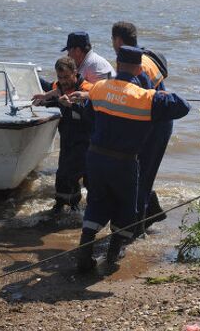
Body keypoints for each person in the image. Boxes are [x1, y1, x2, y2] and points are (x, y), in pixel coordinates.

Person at [71, 46, 190, 272]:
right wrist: (162, 94)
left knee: (96, 202)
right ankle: (112, 256)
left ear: (116, 64)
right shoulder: (145, 97)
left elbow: (88, 114)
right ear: (138, 69)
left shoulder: (98, 89)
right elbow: (183, 106)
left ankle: (84, 256)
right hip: (123, 162)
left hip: (95, 158)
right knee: (126, 207)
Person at [111, 21, 172, 237]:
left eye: (113, 41)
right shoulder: (141, 58)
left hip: (154, 125)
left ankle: (135, 230)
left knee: (139, 177)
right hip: (155, 122)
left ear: (118, 40)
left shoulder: (136, 64)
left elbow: (133, 99)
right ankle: (148, 215)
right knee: (140, 176)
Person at [32, 57, 94, 214]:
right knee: (63, 175)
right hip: (67, 139)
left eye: (66, 77)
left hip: (86, 141)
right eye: (60, 77)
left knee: (72, 174)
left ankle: (76, 208)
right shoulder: (58, 87)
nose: (63, 81)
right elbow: (53, 96)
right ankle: (62, 205)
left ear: (75, 73)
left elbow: (93, 113)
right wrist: (43, 99)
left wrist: (73, 105)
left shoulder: (87, 89)